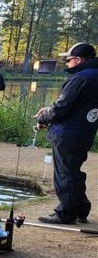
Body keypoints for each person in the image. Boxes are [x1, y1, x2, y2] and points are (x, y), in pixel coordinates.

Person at [34, 42, 98, 225]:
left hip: (67, 133)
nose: (67, 63)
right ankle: (81, 209)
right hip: (85, 132)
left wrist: (44, 117)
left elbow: (61, 107)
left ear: (78, 59)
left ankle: (66, 213)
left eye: (69, 60)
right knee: (73, 171)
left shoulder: (80, 78)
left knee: (65, 174)